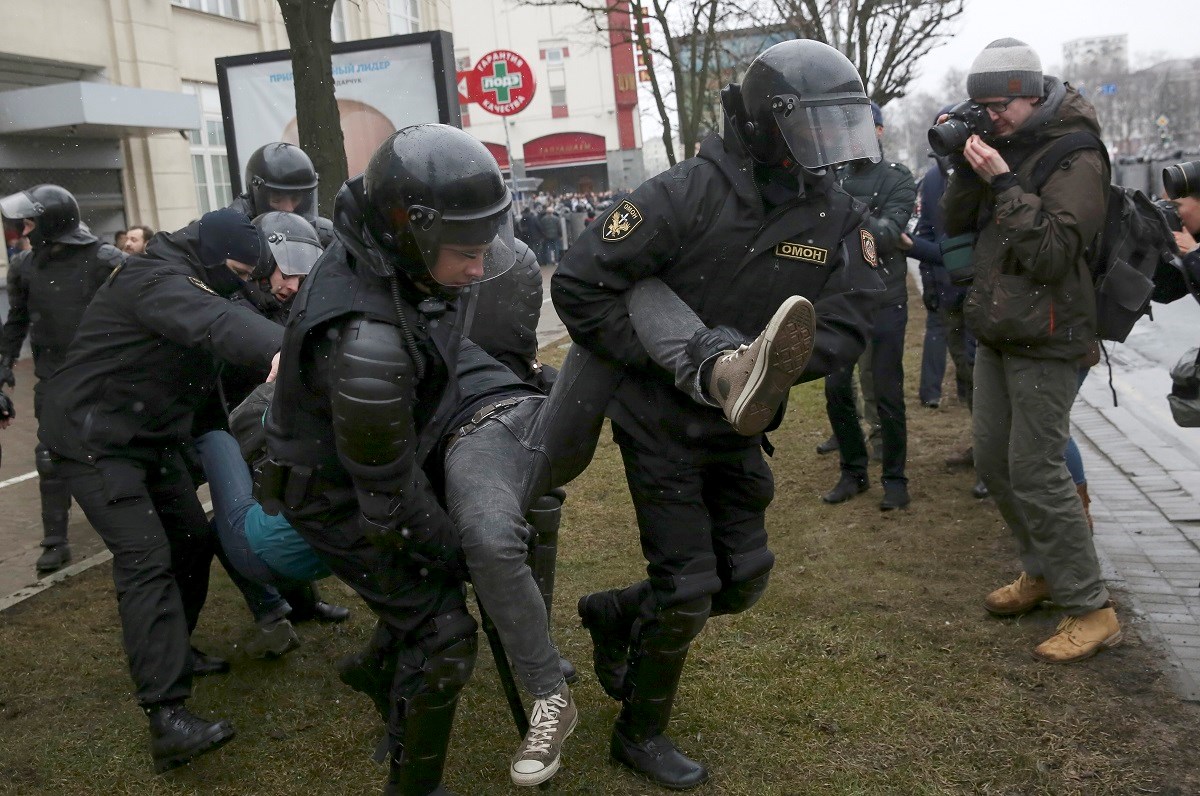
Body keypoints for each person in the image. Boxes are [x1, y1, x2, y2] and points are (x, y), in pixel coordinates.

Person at [553, 39, 883, 788]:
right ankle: (638, 733)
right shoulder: (683, 193)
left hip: (741, 426)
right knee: (688, 586)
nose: (829, 151)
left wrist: (773, 363)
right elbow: (579, 285)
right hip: (658, 423)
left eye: (842, 131)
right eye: (815, 130)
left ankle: (611, 614)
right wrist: (673, 365)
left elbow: (855, 315)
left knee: (745, 578)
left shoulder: (836, 213)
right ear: (770, 122)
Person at [262, 124, 576, 796]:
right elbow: (391, 503)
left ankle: (378, 666)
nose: (479, 269)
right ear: (413, 231)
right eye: (465, 253)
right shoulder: (368, 341)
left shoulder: (394, 258)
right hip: (333, 494)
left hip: (378, 455)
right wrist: (468, 554)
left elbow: (443, 357)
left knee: (431, 597)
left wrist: (512, 386)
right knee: (442, 631)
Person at [37, 207, 286, 772]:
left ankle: (177, 648)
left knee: (191, 543)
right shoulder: (154, 278)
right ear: (210, 255)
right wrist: (286, 348)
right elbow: (217, 323)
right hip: (94, 440)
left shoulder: (197, 276)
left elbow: (213, 356)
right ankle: (166, 716)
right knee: (146, 559)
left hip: (149, 437)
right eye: (239, 272)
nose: (243, 285)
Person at [943, 38, 1120, 663]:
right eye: (979, 107)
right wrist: (967, 169)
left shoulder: (1078, 154)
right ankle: (1042, 571)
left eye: (998, 105)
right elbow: (954, 221)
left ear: (1031, 92)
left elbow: (1050, 252)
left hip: (1050, 334)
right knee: (994, 463)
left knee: (1038, 469)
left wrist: (1005, 180)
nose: (990, 118)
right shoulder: (1006, 144)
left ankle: (1091, 607)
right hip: (998, 330)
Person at [189, 210, 343, 659]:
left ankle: (303, 603)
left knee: (286, 504)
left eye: (302, 274)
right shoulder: (228, 304)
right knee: (236, 520)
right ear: (258, 263)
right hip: (230, 421)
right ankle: (271, 609)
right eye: (285, 271)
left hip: (272, 421)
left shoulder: (293, 300)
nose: (292, 284)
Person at [0, 184, 125, 573]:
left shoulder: (106, 259)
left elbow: (137, 312)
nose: (24, 228)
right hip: (53, 382)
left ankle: (129, 528)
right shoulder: (24, 266)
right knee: (50, 458)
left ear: (50, 222)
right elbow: (17, 320)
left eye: (31, 220)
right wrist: (3, 366)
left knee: (116, 455)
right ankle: (55, 540)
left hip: (104, 380)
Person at [822, 101, 917, 510]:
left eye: (863, 127)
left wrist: (844, 214)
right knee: (836, 387)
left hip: (885, 298)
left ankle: (894, 478)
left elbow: (885, 235)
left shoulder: (899, 178)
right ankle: (853, 470)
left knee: (887, 390)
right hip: (841, 298)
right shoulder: (833, 177)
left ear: (878, 131)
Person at [898, 123, 986, 498]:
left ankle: (991, 460)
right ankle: (981, 446)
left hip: (983, 298)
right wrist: (917, 255)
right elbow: (931, 234)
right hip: (948, 296)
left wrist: (916, 247)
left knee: (985, 378)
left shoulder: (985, 175)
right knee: (967, 377)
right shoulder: (932, 182)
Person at [228, 141, 334, 245]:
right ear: (259, 196)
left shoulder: (325, 234)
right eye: (277, 199)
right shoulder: (233, 233)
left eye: (295, 198)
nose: (289, 209)